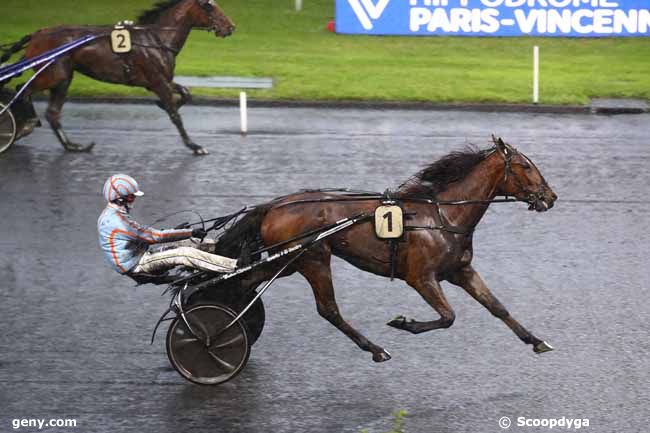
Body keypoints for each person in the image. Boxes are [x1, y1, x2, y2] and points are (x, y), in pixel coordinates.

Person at [97, 174, 237, 277]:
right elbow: (154, 237)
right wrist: (190, 232)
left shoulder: (114, 214)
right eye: (131, 196)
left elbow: (145, 234)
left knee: (187, 242)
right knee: (184, 253)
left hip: (140, 254)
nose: (134, 199)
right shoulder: (116, 221)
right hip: (136, 264)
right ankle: (234, 266)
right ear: (120, 198)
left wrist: (180, 233)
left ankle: (227, 251)